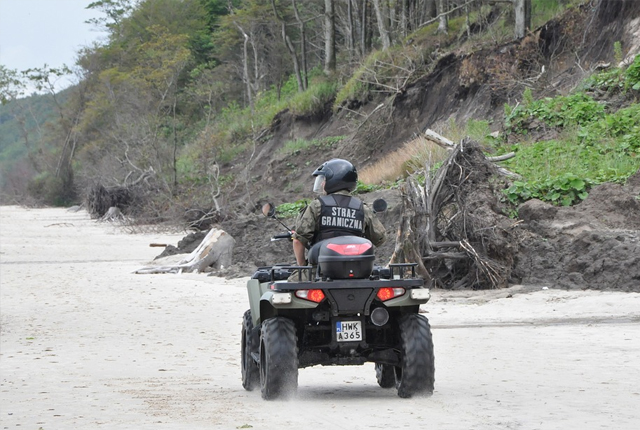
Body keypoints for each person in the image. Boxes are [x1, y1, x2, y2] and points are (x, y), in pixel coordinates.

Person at [291, 158, 386, 267]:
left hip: (321, 272)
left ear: (334, 180)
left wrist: (302, 266)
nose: (322, 184)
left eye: (324, 179)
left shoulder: (317, 206)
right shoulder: (362, 209)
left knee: (289, 281)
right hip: (357, 270)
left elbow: (298, 241)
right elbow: (380, 239)